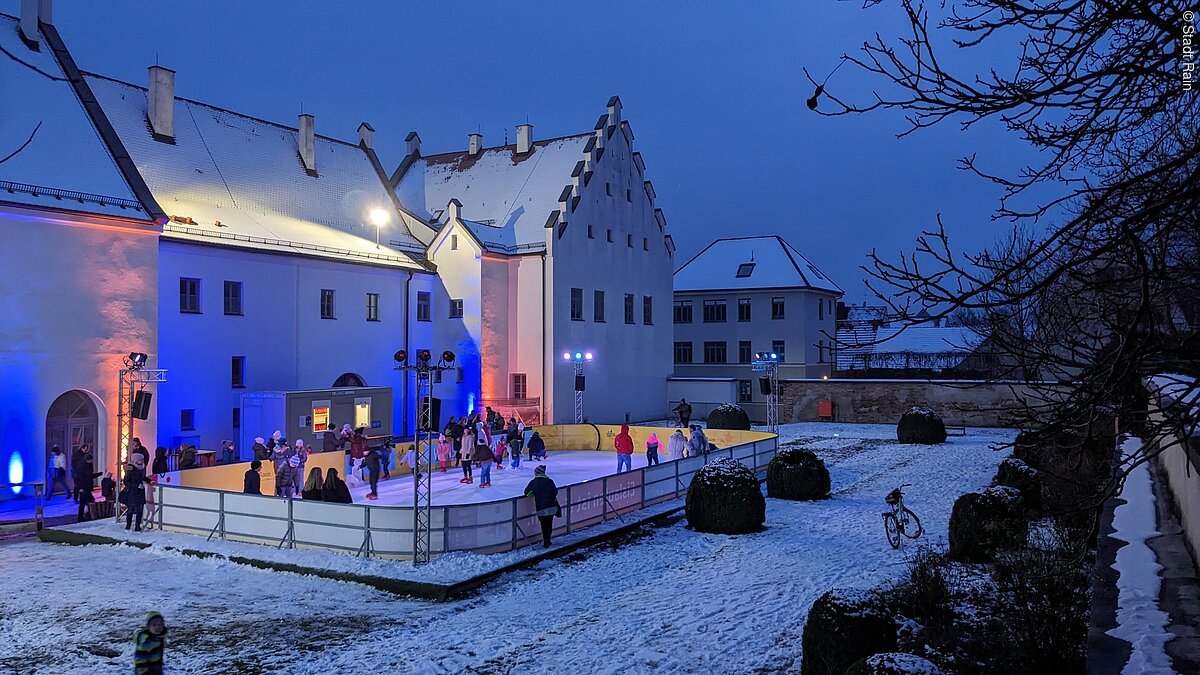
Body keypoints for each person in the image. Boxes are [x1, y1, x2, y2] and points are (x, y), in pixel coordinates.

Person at [524, 465, 560, 548]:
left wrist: (535, 494)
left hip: (541, 507)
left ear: (537, 473)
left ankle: (546, 541)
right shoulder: (550, 481)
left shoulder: (533, 482)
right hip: (551, 506)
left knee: (543, 525)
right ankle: (548, 540)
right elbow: (555, 492)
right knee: (549, 524)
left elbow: (526, 493)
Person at [73, 444, 101, 522]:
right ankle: (88, 515)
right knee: (90, 501)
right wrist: (99, 474)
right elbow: (87, 477)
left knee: (84, 502)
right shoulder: (83, 467)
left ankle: (83, 516)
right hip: (85, 487)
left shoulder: (84, 466)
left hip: (84, 487)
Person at [121, 459, 150, 531]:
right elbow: (126, 482)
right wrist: (136, 486)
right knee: (131, 509)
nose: (142, 462)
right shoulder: (130, 470)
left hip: (140, 491)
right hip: (132, 492)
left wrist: (149, 481)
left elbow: (143, 477)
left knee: (140, 509)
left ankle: (137, 526)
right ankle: (128, 525)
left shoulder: (141, 469)